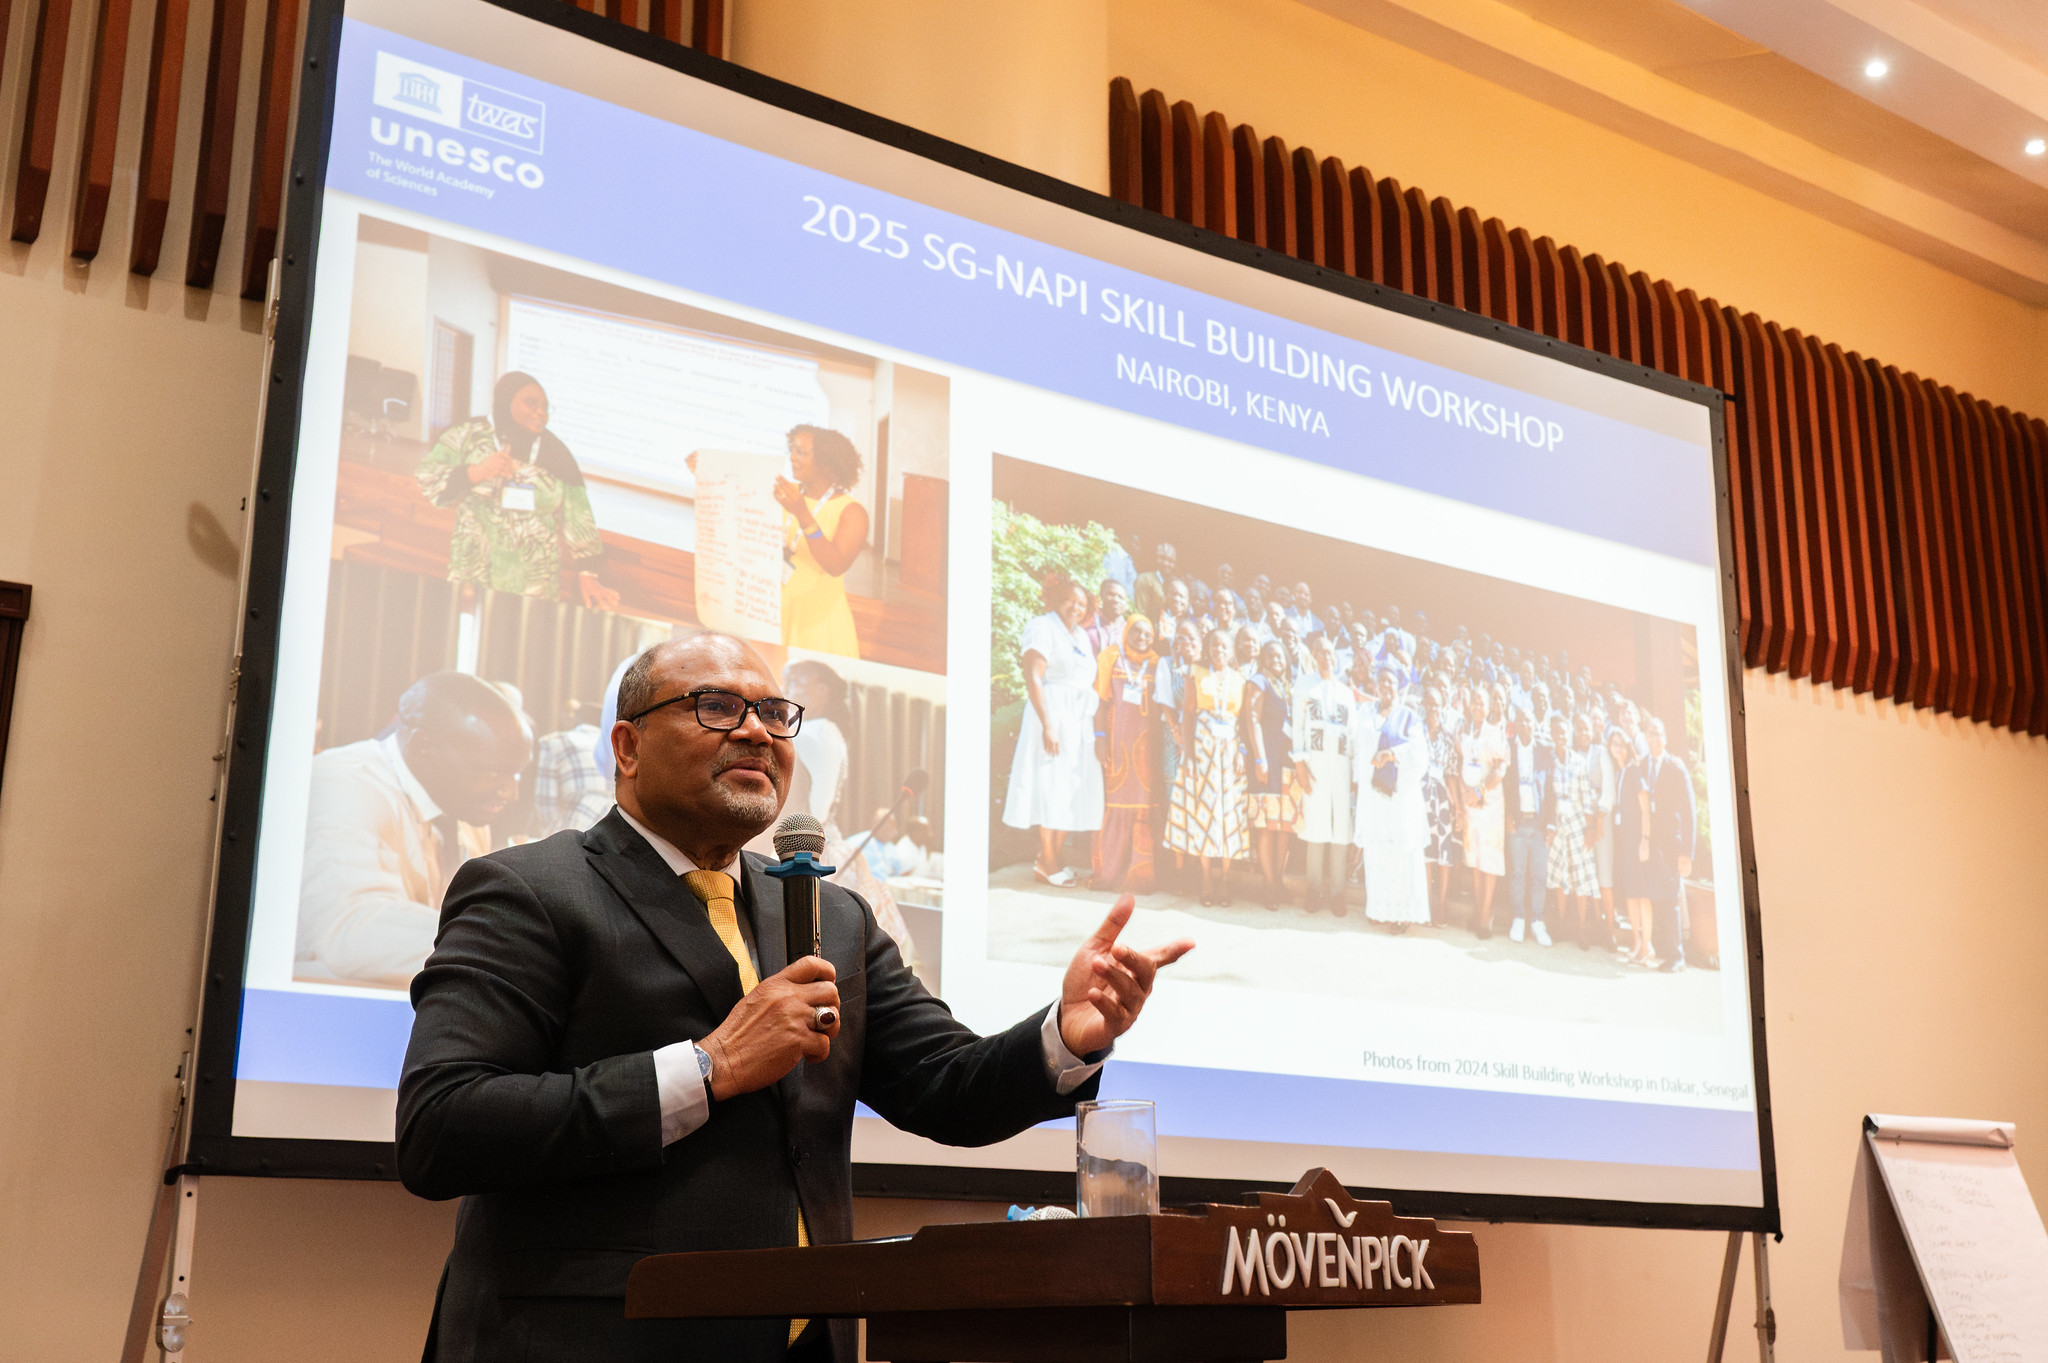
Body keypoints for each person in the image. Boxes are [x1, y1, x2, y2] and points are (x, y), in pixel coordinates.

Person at [399, 632, 1193, 1361]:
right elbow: (444, 1125)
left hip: (805, 1340)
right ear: (627, 744)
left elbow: (947, 1087)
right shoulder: (531, 889)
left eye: (777, 715)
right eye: (716, 706)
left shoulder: (830, 914)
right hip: (590, 1341)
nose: (757, 731)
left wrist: (1067, 1034)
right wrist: (707, 1068)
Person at [297, 672, 533, 988]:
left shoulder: (464, 807)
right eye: (492, 773)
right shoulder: (342, 785)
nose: (510, 794)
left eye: (515, 776)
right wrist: (512, 941)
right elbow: (351, 931)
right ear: (423, 745)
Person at [415, 372, 618, 608]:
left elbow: (579, 515)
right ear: (505, 400)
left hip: (533, 584)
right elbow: (426, 477)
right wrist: (477, 472)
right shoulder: (468, 435)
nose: (540, 412)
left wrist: (588, 574)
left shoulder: (556, 453)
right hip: (473, 574)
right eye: (531, 402)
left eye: (545, 407)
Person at [1003, 575, 1105, 888]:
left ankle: (1050, 861)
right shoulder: (1041, 626)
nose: (1076, 607)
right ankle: (1047, 861)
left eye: (1083, 604)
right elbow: (1033, 677)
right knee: (1051, 787)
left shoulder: (1081, 636)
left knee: (1071, 791)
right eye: (1071, 600)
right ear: (1058, 598)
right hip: (1053, 715)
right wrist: (1049, 725)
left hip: (1078, 722)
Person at [1164, 628, 1248, 906]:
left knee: (1227, 814)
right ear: (1208, 648)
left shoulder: (1239, 679)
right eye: (1214, 646)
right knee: (1204, 810)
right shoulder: (1195, 674)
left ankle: (1224, 878)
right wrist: (1187, 753)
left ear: (1231, 650)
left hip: (1229, 752)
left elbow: (1243, 722)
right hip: (1202, 749)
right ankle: (1206, 878)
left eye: (1225, 647)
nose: (1219, 651)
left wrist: (1241, 753)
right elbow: (1188, 714)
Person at [774, 425, 870, 658]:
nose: (793, 458)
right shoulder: (785, 493)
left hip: (817, 621)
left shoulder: (851, 511)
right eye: (792, 450)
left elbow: (835, 564)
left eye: (802, 452)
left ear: (827, 463)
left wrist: (803, 514)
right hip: (776, 612)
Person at [1355, 664, 1431, 933]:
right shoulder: (1365, 712)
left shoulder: (1408, 716)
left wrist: (1390, 755)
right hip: (1373, 795)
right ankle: (1379, 908)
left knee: (1400, 855)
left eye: (1391, 681)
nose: (1386, 686)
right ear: (1375, 684)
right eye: (1381, 681)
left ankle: (1402, 914)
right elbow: (1358, 748)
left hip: (1400, 797)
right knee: (1377, 854)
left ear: (1398, 685)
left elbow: (1420, 756)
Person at [1091, 614, 1160, 893]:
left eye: (1147, 635)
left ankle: (1140, 876)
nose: (1142, 639)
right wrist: (1100, 738)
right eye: (1137, 633)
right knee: (1117, 804)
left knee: (1143, 807)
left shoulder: (1156, 663)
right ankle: (1108, 874)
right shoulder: (1111, 657)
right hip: (1118, 743)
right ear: (1127, 632)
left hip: (1147, 747)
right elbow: (1101, 701)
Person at [1290, 633, 1355, 914]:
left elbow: (1351, 736)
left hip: (1340, 767)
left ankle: (1338, 893)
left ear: (1336, 657)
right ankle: (1313, 891)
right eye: (1321, 652)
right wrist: (1300, 765)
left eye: (1331, 653)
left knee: (1340, 829)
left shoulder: (1345, 692)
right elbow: (1298, 727)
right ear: (1314, 656)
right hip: (1314, 765)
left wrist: (1353, 775)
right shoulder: (1305, 685)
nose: (1326, 657)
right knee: (1316, 828)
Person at [1242, 640, 1297, 909]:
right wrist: (1259, 758)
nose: (1277, 658)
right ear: (1263, 659)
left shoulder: (1287, 685)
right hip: (1268, 761)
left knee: (1283, 825)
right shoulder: (1259, 681)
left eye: (1280, 654)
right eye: (1271, 654)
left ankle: (1279, 879)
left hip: (1288, 764)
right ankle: (1269, 886)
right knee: (1266, 824)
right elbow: (1251, 719)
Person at [1639, 717, 1697, 972]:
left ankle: (1678, 957)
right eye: (1650, 734)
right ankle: (1667, 952)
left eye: (1658, 734)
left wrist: (1687, 852)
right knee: (1659, 898)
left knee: (1672, 898)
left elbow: (1689, 810)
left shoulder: (1675, 767)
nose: (1654, 739)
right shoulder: (1642, 765)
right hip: (1653, 844)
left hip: (1672, 845)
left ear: (1665, 738)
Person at [1545, 711, 1602, 948]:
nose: (1561, 736)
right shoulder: (1549, 761)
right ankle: (1559, 925)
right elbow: (1548, 796)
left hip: (1578, 823)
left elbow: (1588, 798)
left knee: (1581, 876)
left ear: (1569, 734)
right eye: (1556, 732)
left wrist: (1590, 828)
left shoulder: (1579, 762)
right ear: (1552, 735)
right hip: (1558, 824)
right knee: (1559, 875)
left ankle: (1582, 929)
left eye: (1564, 732)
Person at [1500, 703, 1553, 946]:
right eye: (1521, 721)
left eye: (1529, 721)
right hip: (1518, 821)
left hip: (1539, 823)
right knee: (1518, 873)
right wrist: (1508, 815)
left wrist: (1551, 823)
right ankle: (1519, 917)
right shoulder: (1509, 748)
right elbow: (1505, 785)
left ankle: (1537, 921)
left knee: (1539, 875)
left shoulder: (1544, 752)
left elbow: (1550, 790)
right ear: (1517, 725)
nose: (1525, 726)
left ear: (1535, 725)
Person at [1456, 685, 1506, 938]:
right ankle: (1478, 910)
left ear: (1488, 708)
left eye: (1482, 703)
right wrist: (1466, 793)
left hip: (1489, 804)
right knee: (1474, 859)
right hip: (1470, 804)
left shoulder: (1494, 733)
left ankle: (1486, 915)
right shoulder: (1466, 733)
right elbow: (1462, 762)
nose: (1477, 706)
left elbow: (1500, 770)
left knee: (1489, 860)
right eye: (1474, 703)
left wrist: (1479, 792)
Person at [532, 704, 611, 836]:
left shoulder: (554, 741)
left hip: (572, 829)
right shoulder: (615, 747)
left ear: (576, 719)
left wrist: (549, 835)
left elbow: (545, 801)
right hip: (609, 834)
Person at [1421, 686, 1462, 923]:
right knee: (1426, 851)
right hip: (1420, 798)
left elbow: (1451, 774)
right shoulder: (1416, 732)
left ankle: (1442, 904)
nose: (1432, 708)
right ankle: (1426, 902)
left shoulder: (1448, 738)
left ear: (1442, 707)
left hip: (1443, 799)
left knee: (1444, 852)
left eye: (1437, 704)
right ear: (1424, 706)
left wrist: (1456, 805)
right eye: (1429, 704)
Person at [1132, 540, 1176, 623]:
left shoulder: (1175, 584)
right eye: (1162, 558)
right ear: (1156, 558)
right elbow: (1140, 612)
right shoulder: (1145, 579)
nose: (1166, 563)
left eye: (1170, 561)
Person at [1085, 578, 1130, 656]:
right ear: (1101, 596)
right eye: (1110, 594)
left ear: (1126, 604)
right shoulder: (1087, 620)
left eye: (1121, 597)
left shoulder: (1131, 630)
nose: (1116, 600)